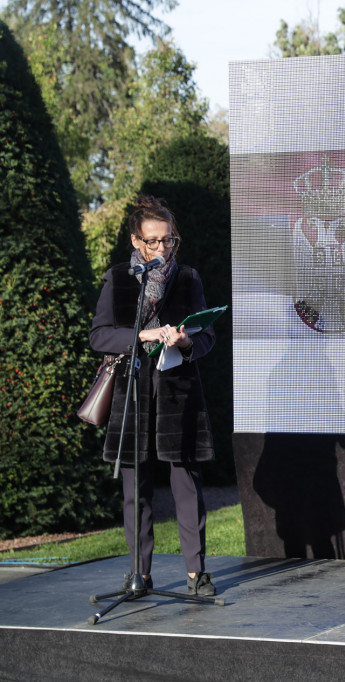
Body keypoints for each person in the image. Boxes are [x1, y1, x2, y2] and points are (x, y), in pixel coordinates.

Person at [89, 195, 218, 596]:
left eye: (168, 239)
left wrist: (186, 341)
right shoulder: (117, 278)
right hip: (131, 391)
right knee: (135, 490)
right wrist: (142, 334)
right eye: (153, 241)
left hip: (179, 393)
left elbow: (208, 336)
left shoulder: (189, 277)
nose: (162, 248)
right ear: (135, 241)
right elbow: (99, 336)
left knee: (187, 486)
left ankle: (197, 574)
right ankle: (139, 575)